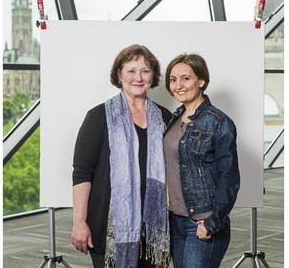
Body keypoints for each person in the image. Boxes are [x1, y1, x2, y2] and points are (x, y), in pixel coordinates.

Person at [71, 44, 172, 268]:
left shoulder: (164, 117)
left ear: (153, 76)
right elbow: (82, 172)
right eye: (131, 70)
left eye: (145, 71)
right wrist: (79, 222)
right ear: (119, 74)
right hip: (107, 229)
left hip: (153, 230)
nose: (138, 77)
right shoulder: (98, 117)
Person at [163, 53, 240, 268]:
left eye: (186, 78)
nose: (178, 85)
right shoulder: (174, 118)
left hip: (202, 221)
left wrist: (213, 221)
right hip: (174, 220)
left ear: (201, 81)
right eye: (173, 79)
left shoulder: (219, 122)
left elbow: (230, 177)